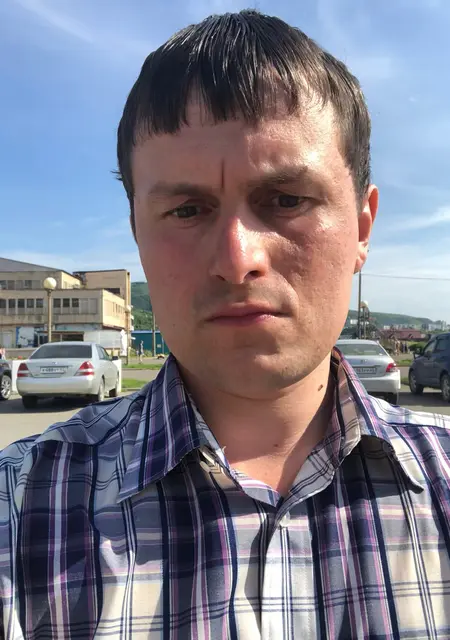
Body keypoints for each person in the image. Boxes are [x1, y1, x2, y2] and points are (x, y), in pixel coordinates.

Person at [1, 11, 450, 639]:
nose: (238, 260)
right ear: (138, 235)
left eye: (286, 200)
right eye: (188, 210)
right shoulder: (19, 508)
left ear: (362, 227)